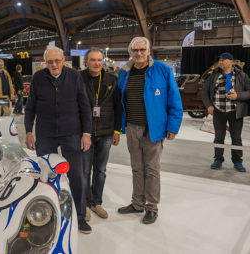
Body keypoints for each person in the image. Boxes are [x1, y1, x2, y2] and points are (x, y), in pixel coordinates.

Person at [24, 46, 93, 234]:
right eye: (50, 62)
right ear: (45, 63)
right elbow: (30, 107)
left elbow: (85, 106)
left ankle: (79, 216)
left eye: (57, 61)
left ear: (64, 60)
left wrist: (86, 133)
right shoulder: (38, 78)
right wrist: (28, 131)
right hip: (45, 134)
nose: (54, 65)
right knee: (46, 176)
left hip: (72, 133)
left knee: (77, 176)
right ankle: (46, 214)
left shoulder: (74, 77)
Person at [117, 37, 183, 224]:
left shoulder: (161, 70)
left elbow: (174, 99)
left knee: (152, 169)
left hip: (153, 130)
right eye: (135, 50)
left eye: (142, 50)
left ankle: (151, 207)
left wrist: (172, 126)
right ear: (130, 52)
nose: (139, 53)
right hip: (131, 128)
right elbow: (119, 101)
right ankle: (137, 203)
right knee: (136, 168)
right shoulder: (125, 72)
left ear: (148, 50)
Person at [80, 48, 122, 221]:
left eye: (99, 60)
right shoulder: (79, 79)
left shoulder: (112, 79)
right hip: (85, 133)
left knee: (100, 171)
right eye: (93, 60)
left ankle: (97, 202)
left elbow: (118, 106)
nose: (97, 63)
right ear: (86, 62)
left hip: (105, 132)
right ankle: (84, 204)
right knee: (84, 171)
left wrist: (117, 130)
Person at [202, 52, 250, 172]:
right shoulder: (214, 76)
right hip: (218, 111)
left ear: (231, 61)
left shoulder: (241, 75)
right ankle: (218, 159)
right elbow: (205, 92)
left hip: (235, 112)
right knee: (219, 137)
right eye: (220, 60)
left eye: (223, 60)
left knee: (236, 138)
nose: (221, 62)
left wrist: (238, 95)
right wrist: (208, 106)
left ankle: (238, 162)